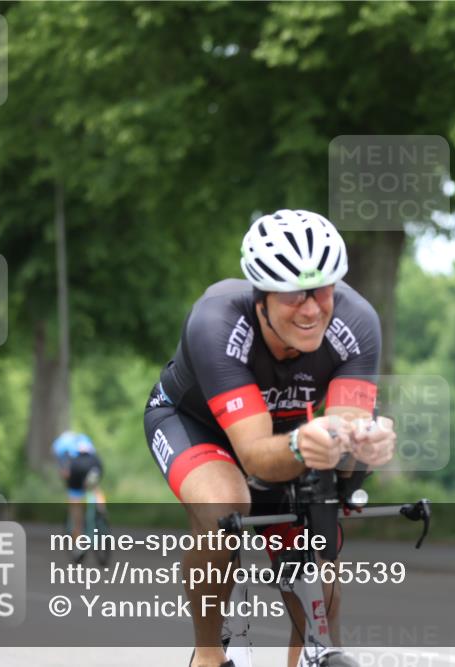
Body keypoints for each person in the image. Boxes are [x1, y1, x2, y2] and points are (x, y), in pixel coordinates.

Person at [144, 209, 396, 667]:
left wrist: (363, 445)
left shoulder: (357, 324)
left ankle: (312, 654)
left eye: (322, 290)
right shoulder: (216, 322)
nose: (311, 308)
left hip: (284, 428)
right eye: (292, 295)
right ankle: (208, 655)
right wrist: (304, 445)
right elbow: (257, 457)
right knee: (225, 506)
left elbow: (343, 434)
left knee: (315, 537)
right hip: (194, 424)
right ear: (260, 298)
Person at [52, 430, 106, 553]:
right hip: (94, 464)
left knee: (75, 500)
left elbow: (64, 471)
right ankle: (101, 509)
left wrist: (68, 482)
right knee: (95, 488)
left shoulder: (59, 445)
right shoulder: (84, 438)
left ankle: (77, 537)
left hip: (75, 467)